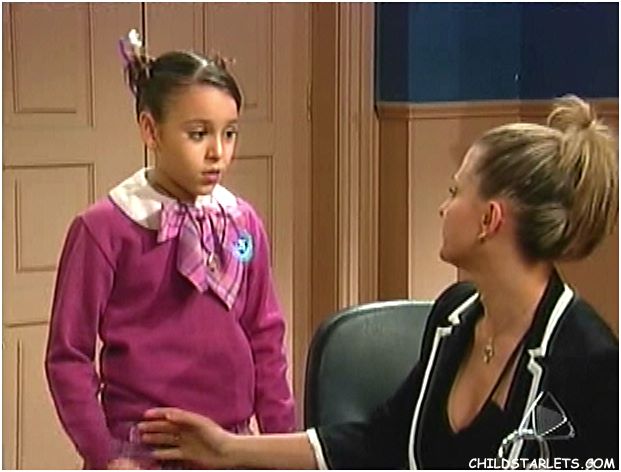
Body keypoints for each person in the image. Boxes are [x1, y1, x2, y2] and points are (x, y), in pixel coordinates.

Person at [137, 95, 619, 469]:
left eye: (454, 192)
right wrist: (227, 450)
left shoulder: (589, 363)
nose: (443, 207)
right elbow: (380, 440)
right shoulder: (455, 317)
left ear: (489, 220)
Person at [45, 29, 295, 469]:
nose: (218, 152)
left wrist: (280, 446)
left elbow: (265, 337)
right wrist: (104, 455)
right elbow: (69, 356)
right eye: (198, 134)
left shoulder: (242, 223)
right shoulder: (104, 228)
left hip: (233, 447)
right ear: (151, 130)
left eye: (230, 134)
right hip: (141, 452)